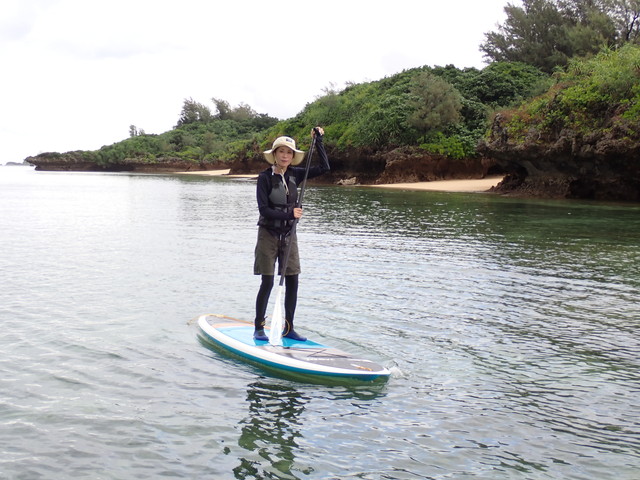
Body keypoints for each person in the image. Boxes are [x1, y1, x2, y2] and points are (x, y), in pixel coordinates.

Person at [253, 128, 330, 341]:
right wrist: (290, 214)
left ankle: (288, 329)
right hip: (268, 235)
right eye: (282, 151)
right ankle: (259, 327)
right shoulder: (264, 178)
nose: (285, 156)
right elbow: (264, 210)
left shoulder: (296, 174)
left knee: (293, 281)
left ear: (293, 156)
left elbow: (325, 167)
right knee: (268, 282)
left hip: (289, 235)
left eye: (289, 152)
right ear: (275, 154)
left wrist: (319, 141)